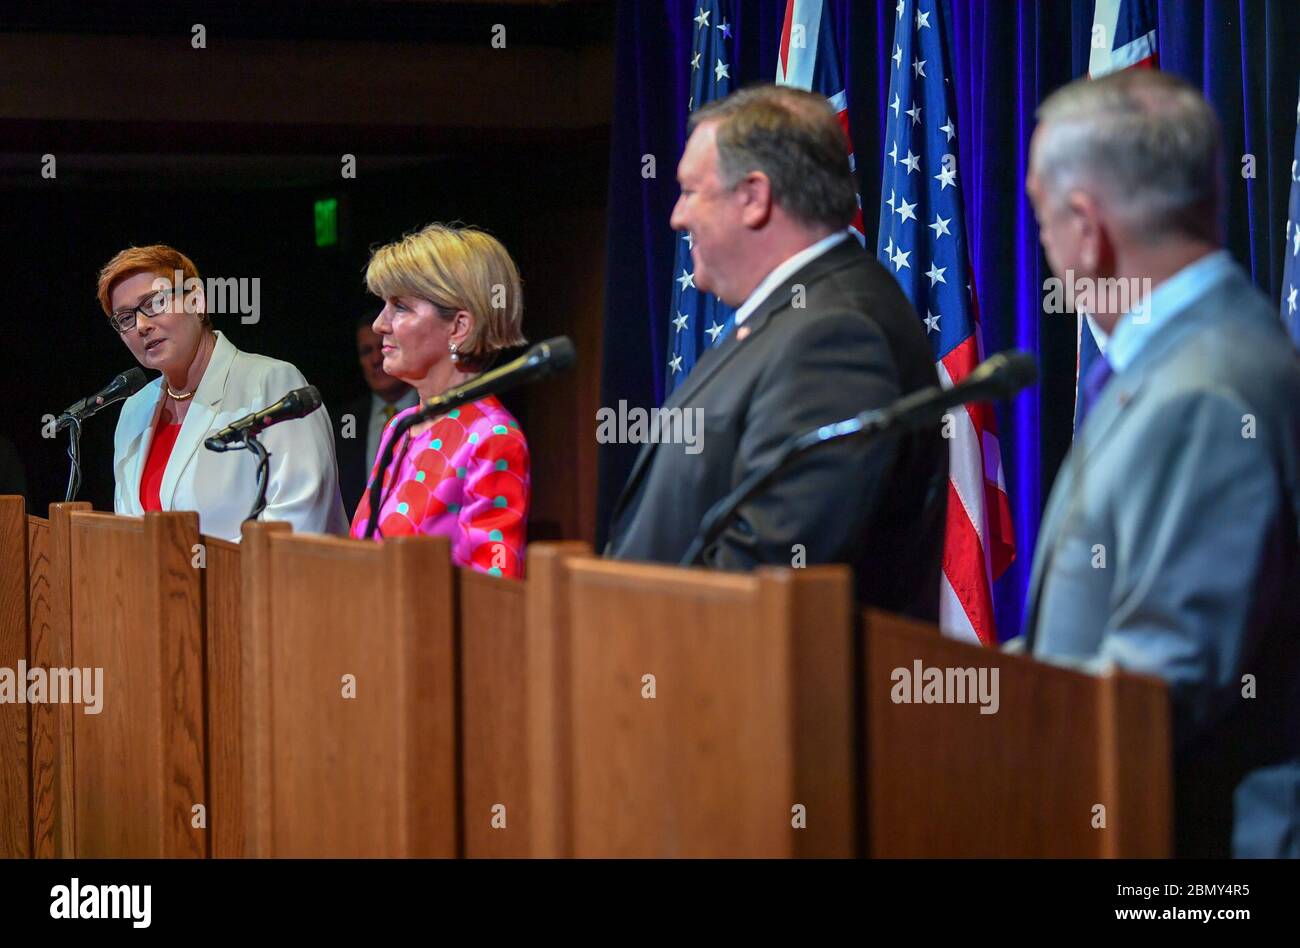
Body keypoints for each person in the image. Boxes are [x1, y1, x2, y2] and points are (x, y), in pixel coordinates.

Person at [1022, 70, 1300, 857]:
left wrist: (979, 716)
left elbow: (1158, 683)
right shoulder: (1181, 359)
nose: (1047, 252)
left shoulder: (1203, 391)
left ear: (1086, 228)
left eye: (1043, 222)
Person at [604, 84, 947, 619]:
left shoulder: (834, 336)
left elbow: (769, 572)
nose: (676, 216)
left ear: (754, 197)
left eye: (691, 191)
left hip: (728, 687)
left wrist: (636, 650)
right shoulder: (786, 319)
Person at [102, 244, 348, 541]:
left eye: (154, 303)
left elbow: (298, 521)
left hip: (264, 585)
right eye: (126, 318)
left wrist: (197, 576)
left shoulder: (272, 384)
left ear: (197, 300)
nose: (141, 325)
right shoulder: (133, 410)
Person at [350, 223, 531, 579]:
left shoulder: (492, 437)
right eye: (384, 305)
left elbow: (495, 594)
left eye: (400, 307)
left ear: (459, 327)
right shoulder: (400, 426)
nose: (379, 325)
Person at [335, 313, 418, 520]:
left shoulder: (438, 411)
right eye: (366, 351)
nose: (375, 360)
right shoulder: (345, 422)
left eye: (382, 347)